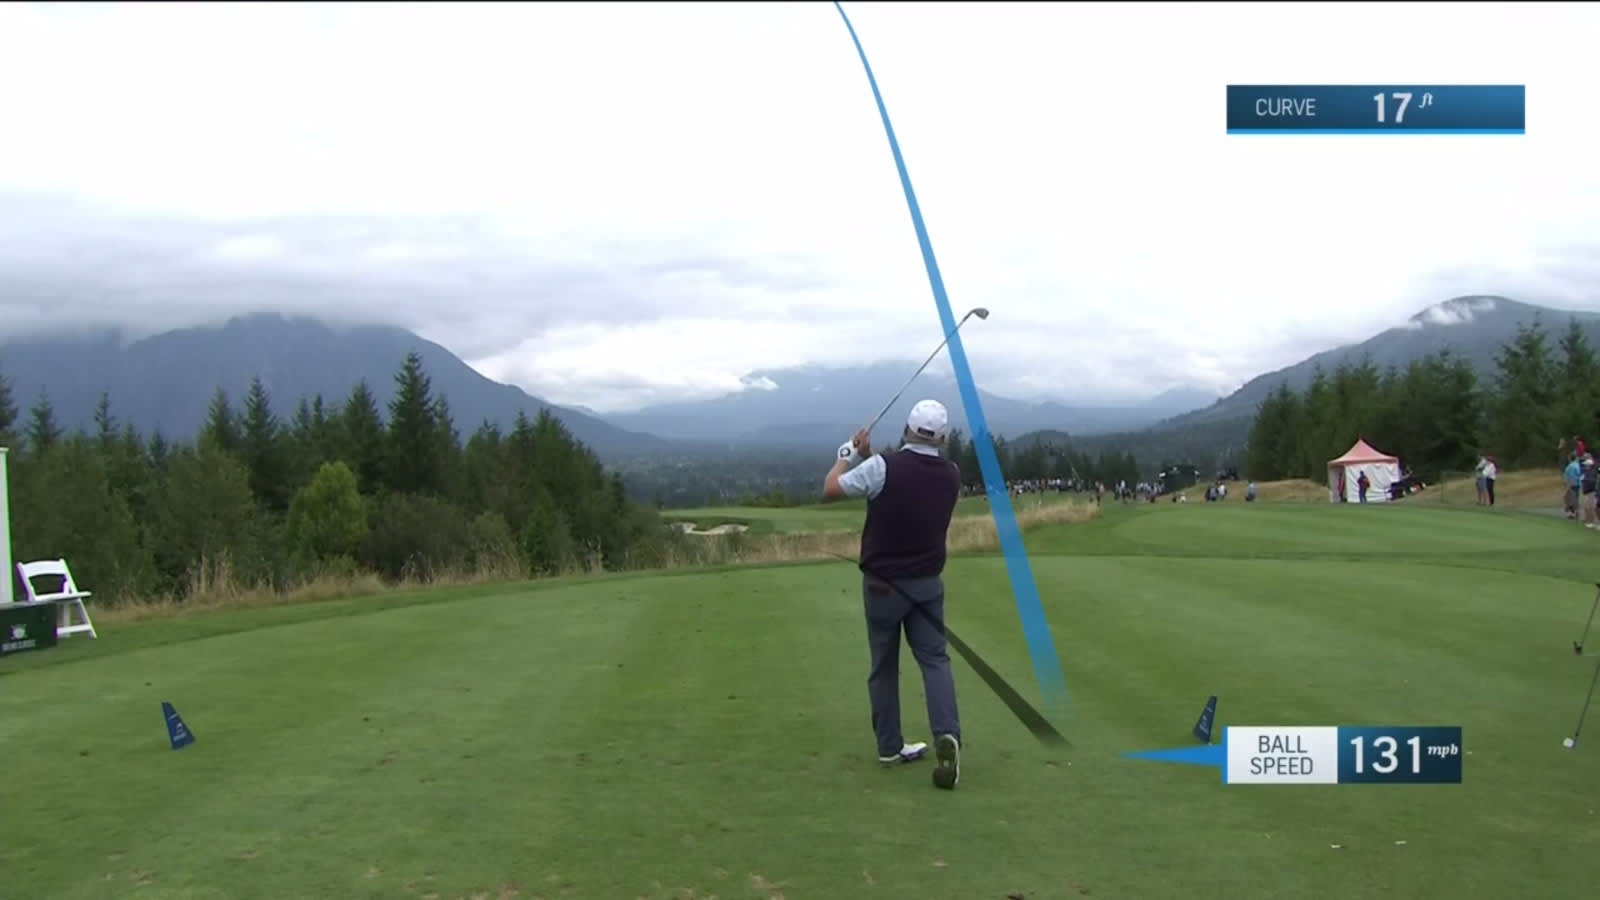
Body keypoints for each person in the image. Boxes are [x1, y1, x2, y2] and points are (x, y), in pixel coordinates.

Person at [822, 399, 964, 790]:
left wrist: (847, 454)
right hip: (927, 585)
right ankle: (947, 734)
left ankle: (889, 746)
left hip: (883, 586)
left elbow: (832, 488)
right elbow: (905, 484)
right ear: (943, 437)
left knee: (884, 666)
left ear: (906, 429)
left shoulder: (884, 467)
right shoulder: (951, 473)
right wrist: (871, 456)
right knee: (935, 660)